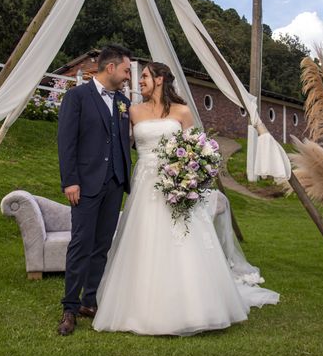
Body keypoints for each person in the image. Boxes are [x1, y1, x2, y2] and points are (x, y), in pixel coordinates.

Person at [92, 62, 279, 336]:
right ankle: (142, 309)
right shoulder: (132, 111)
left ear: (160, 79)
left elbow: (196, 150)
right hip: (146, 185)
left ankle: (193, 308)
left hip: (177, 185)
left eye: (144, 76)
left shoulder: (182, 112)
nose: (139, 80)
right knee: (144, 241)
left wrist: (189, 175)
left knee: (182, 240)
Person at [56, 44, 132, 336]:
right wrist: (70, 180)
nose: (128, 76)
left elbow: (123, 140)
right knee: (81, 245)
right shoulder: (77, 97)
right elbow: (67, 142)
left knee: (102, 245)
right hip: (85, 184)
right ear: (110, 68)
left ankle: (90, 301)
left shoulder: (123, 102)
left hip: (115, 183)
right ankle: (69, 307)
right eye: (126, 70)